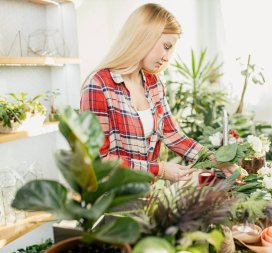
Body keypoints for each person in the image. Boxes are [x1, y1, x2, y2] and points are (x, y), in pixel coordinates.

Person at [80, 3, 239, 182]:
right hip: (113, 197)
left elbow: (172, 134)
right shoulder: (99, 85)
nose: (167, 57)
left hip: (146, 192)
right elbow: (98, 162)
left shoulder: (153, 84)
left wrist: (217, 160)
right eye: (166, 46)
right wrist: (160, 170)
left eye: (171, 49)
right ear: (144, 37)